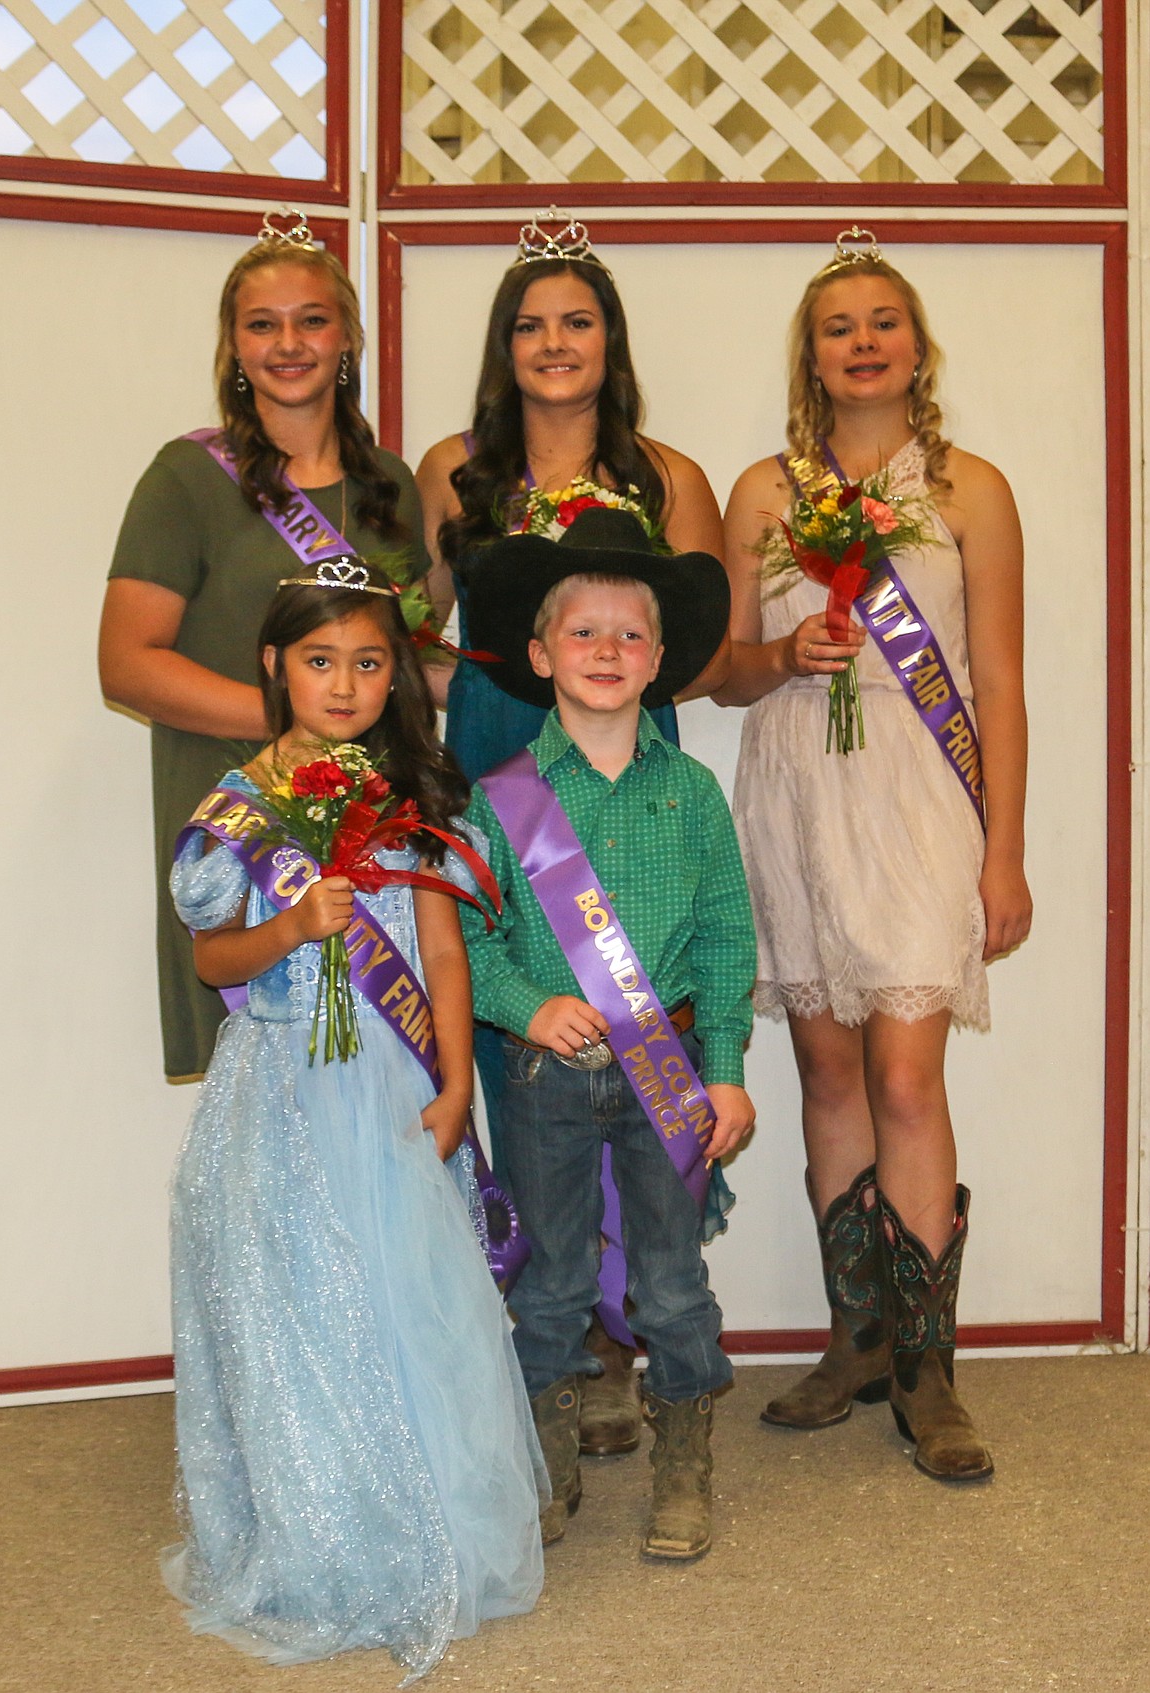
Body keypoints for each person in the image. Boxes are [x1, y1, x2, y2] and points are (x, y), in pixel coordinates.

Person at [164, 557, 544, 1676]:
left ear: (397, 677)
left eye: (368, 662)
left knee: (406, 1299)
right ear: (276, 665)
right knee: (294, 1310)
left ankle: (438, 1530)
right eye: (320, 660)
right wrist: (289, 931)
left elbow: (437, 950)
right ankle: (320, 1541)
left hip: (389, 1080)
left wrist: (459, 1082)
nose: (343, 683)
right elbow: (209, 955)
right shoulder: (239, 811)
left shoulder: (414, 800)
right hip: (277, 1085)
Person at [715, 228, 1032, 1481]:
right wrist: (780, 659)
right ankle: (856, 1341)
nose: (861, 341)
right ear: (813, 354)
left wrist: (1005, 850)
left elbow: (999, 680)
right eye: (837, 325)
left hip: (918, 791)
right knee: (826, 1071)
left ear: (916, 347)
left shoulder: (973, 493)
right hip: (795, 785)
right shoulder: (760, 494)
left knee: (906, 1077)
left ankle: (928, 1366)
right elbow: (725, 670)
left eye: (881, 321)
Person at [415, 210, 726, 1456]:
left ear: (612, 340)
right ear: (504, 347)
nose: (554, 342)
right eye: (529, 324)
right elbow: (407, 625)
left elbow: (695, 649)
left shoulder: (671, 476)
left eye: (577, 319)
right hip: (502, 752)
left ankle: (633, 1322)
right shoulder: (453, 465)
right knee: (529, 1040)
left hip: (622, 768)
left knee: (637, 1016)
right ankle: (569, 1340)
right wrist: (460, 687)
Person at [458, 506, 756, 1560]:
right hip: (545, 1073)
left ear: (661, 659)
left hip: (666, 1074)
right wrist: (524, 1001)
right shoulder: (499, 802)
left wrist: (724, 1072)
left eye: (631, 635)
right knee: (551, 1279)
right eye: (582, 632)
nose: (606, 652)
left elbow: (725, 941)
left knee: (673, 1280)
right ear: (540, 654)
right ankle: (545, 1460)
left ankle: (684, 1463)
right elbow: (464, 934)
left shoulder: (696, 795)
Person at [99, 208, 431, 1081]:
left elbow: (417, 647)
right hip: (243, 818)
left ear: (348, 337)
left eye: (312, 319)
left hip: (369, 824)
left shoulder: (389, 483)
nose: (289, 342)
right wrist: (296, 727)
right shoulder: (185, 478)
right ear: (233, 349)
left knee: (375, 1080)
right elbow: (127, 661)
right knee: (267, 1085)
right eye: (262, 324)